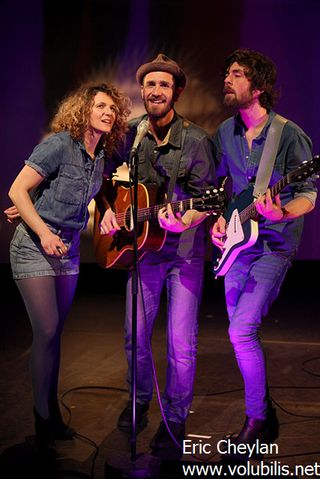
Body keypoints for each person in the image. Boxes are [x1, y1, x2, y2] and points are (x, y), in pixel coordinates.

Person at [97, 53, 217, 455]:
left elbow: (208, 202)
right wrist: (108, 212)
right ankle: (141, 398)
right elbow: (99, 179)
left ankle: (176, 418)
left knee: (181, 343)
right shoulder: (129, 136)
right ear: (143, 92)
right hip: (141, 252)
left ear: (176, 93)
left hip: (182, 254)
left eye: (164, 85)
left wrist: (186, 219)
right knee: (135, 336)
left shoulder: (196, 140)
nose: (156, 91)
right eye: (150, 85)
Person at [6, 82, 131, 452]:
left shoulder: (100, 156)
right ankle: (41, 419)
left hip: (70, 250)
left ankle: (53, 417)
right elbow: (17, 190)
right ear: (83, 110)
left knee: (55, 336)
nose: (108, 113)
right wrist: (43, 232)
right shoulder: (60, 144)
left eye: (112, 109)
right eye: (101, 106)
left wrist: (107, 213)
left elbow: (94, 195)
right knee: (45, 332)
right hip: (35, 247)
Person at [211, 49, 317, 453]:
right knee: (238, 335)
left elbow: (309, 193)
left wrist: (283, 210)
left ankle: (255, 419)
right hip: (239, 244)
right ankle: (265, 415)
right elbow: (230, 190)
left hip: (273, 246)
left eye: (236, 74)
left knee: (242, 328)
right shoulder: (225, 132)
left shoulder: (288, 134)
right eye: (227, 72)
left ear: (258, 87)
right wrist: (223, 219)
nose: (227, 79)